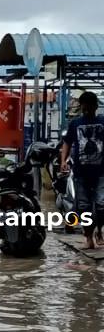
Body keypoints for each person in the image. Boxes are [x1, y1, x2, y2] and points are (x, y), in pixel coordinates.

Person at [61, 90, 104, 249]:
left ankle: (99, 230)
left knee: (101, 205)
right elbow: (67, 143)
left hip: (101, 172)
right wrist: (63, 161)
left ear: (95, 106)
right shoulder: (75, 123)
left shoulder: (103, 121)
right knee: (84, 207)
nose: (86, 110)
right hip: (80, 173)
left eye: (89, 107)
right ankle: (88, 238)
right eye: (83, 107)